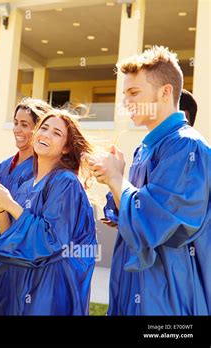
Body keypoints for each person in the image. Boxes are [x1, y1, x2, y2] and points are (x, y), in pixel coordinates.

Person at [86, 46, 210, 315]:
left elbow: (160, 222)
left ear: (165, 92)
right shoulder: (146, 149)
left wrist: (117, 179)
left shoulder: (186, 147)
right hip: (135, 287)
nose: (126, 102)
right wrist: (113, 182)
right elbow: (136, 215)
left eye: (134, 93)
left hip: (170, 295)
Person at [0, 109, 97, 315]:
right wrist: (0, 206)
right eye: (44, 128)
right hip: (18, 283)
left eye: (56, 133)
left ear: (66, 148)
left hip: (48, 287)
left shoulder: (66, 183)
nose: (46, 134)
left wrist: (9, 203)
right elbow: (9, 236)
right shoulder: (26, 185)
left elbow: (52, 239)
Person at [0, 97, 52, 315]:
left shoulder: (40, 171)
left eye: (24, 125)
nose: (17, 129)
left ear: (39, 129)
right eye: (15, 122)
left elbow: (23, 219)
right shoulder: (3, 165)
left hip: (18, 257)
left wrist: (0, 204)